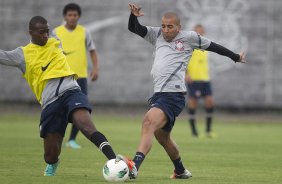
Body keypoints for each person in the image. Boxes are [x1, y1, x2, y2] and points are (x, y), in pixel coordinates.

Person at [120, 3, 245, 180]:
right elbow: (134, 28)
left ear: (179, 27)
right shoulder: (157, 34)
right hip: (159, 94)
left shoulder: (189, 37)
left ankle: (134, 166)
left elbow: (214, 46)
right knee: (163, 138)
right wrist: (133, 16)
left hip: (173, 95)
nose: (166, 30)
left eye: (170, 26)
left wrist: (235, 57)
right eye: (163, 26)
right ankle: (180, 170)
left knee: (148, 122)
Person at [0, 16, 116, 176]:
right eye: (42, 32)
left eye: (47, 31)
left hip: (71, 92)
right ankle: (53, 163)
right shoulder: (21, 55)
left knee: (86, 126)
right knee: (50, 155)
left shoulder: (56, 42)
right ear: (31, 32)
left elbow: (70, 28)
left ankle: (116, 161)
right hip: (50, 103)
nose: (46, 35)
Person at [52, 3, 99, 149]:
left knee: (81, 108)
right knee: (60, 109)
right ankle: (56, 136)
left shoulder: (84, 32)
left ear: (79, 16)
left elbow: (92, 50)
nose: (72, 18)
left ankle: (72, 140)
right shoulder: (56, 32)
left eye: (75, 15)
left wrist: (96, 68)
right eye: (69, 15)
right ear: (65, 16)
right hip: (61, 77)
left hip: (80, 77)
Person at [185, 24, 215, 138]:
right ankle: (194, 132)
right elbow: (183, 60)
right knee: (193, 103)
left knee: (210, 102)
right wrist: (186, 74)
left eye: (201, 32)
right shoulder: (190, 46)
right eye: (197, 32)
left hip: (205, 79)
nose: (199, 34)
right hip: (194, 79)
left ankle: (208, 130)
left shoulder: (205, 46)